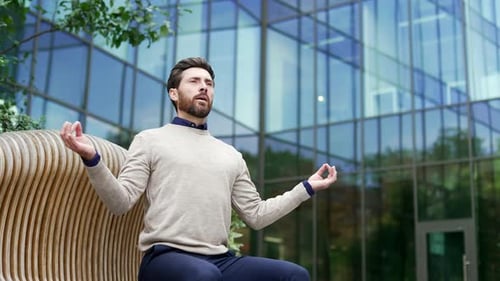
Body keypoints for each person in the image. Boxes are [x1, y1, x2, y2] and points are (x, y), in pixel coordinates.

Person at [60, 57, 337, 281]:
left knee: (293, 275)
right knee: (203, 275)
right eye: (194, 81)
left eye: (209, 83)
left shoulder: (230, 155)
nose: (204, 87)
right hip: (165, 259)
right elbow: (120, 202)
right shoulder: (150, 140)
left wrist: (307, 188)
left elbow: (256, 215)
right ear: (174, 93)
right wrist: (92, 159)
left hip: (220, 261)